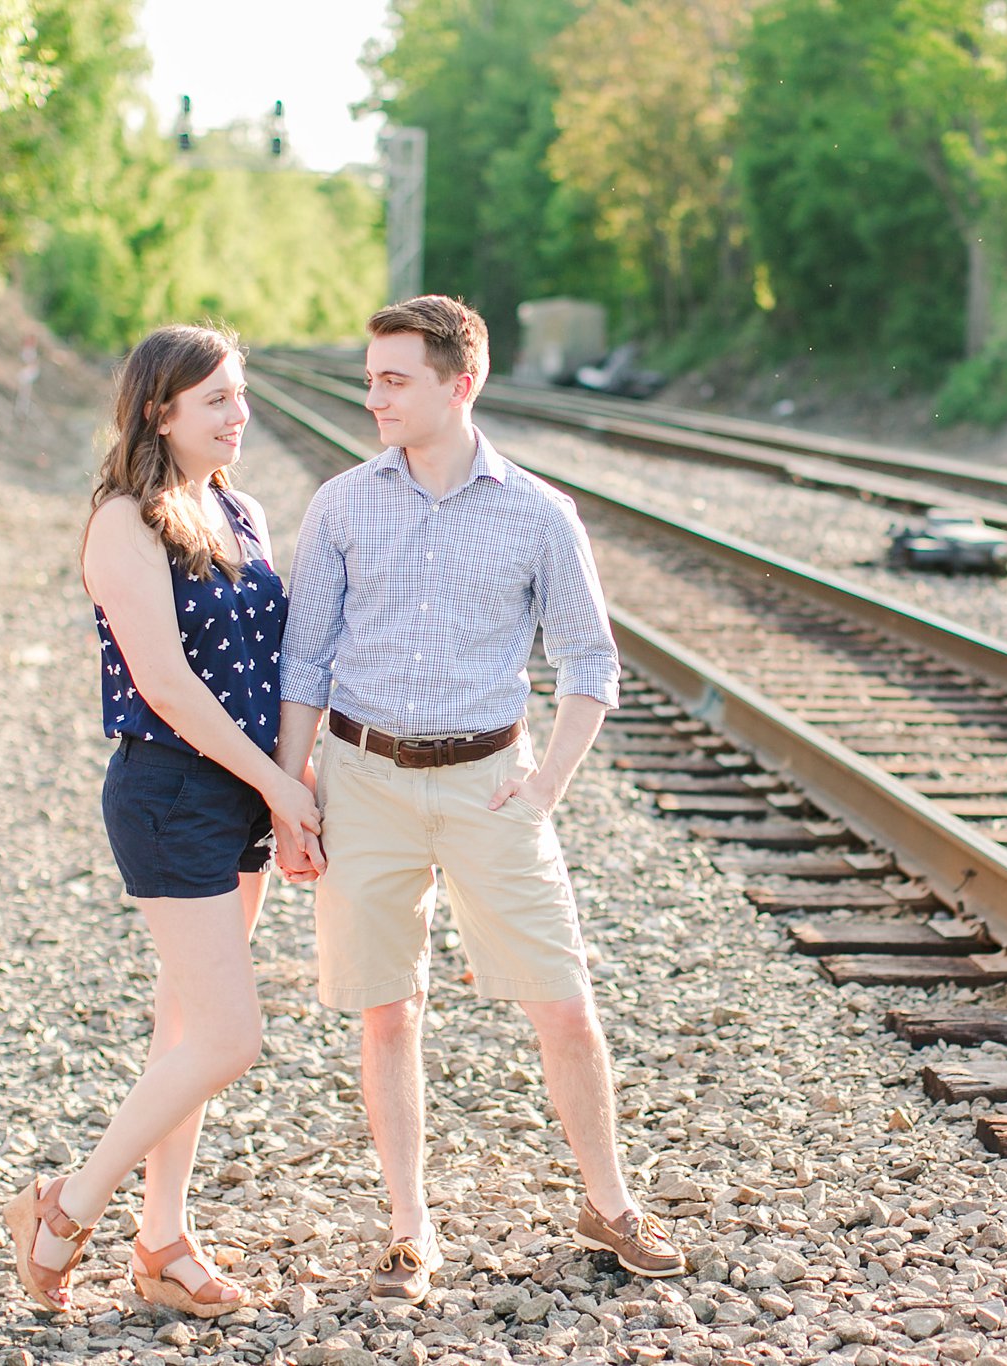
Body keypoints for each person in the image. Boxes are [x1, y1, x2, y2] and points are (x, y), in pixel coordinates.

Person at [273, 295, 687, 1306]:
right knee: (388, 1011)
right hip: (361, 778)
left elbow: (590, 663)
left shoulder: (538, 514)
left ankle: (609, 1201)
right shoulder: (340, 504)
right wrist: (293, 795)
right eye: (371, 376)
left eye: (393, 379)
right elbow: (304, 662)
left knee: (564, 1002)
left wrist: (543, 786)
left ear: (460, 384)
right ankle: (409, 1230)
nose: (372, 395)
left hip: (487, 781)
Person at [4, 323, 324, 1316]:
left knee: (184, 1029)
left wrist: (288, 786)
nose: (239, 415)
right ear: (159, 409)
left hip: (241, 793)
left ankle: (162, 1241)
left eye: (240, 394)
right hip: (170, 792)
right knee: (228, 1036)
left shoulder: (244, 509)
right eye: (217, 399)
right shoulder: (123, 521)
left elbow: (272, 673)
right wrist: (281, 787)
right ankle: (64, 1206)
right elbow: (173, 688)